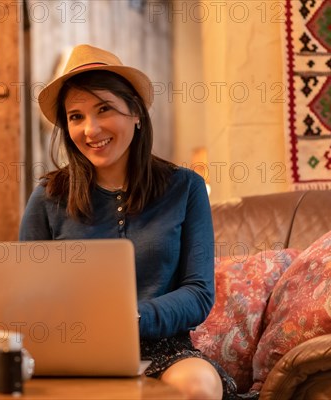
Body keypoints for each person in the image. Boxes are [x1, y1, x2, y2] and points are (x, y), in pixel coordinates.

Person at [19, 44, 237, 400]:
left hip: (164, 349)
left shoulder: (186, 187)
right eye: (75, 116)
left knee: (197, 386)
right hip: (73, 352)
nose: (90, 129)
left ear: (135, 111)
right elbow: (25, 293)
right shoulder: (48, 196)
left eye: (103, 109)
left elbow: (198, 293)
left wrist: (131, 318)